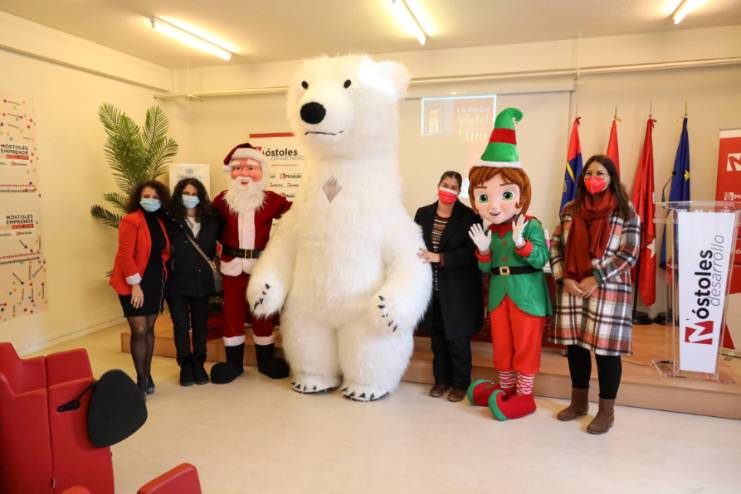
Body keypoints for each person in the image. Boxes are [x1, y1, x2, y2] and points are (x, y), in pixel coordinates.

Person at [465, 108, 551, 421]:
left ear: (520, 196)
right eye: (483, 197)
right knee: (502, 344)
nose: (494, 205)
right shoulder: (491, 230)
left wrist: (522, 243)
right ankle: (505, 388)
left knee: (525, 345)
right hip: (499, 294)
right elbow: (485, 270)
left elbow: (541, 259)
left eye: (504, 194)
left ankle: (525, 395)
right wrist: (483, 252)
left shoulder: (530, 224)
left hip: (527, 295)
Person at [549, 154, 640, 434]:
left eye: (600, 173)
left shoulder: (625, 210)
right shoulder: (571, 208)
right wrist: (563, 277)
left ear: (611, 177)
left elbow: (630, 253)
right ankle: (578, 404)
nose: (593, 178)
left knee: (606, 353)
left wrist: (597, 277)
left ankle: (605, 412)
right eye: (589, 173)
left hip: (607, 290)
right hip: (573, 289)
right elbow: (556, 246)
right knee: (576, 349)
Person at [209, 143, 292, 384]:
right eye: (238, 168)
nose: (244, 173)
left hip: (260, 266)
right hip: (231, 265)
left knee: (262, 311)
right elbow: (207, 224)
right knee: (232, 313)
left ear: (261, 171)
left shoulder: (272, 200)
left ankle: (266, 361)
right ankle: (233, 364)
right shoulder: (222, 200)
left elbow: (296, 215)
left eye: (250, 168)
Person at [414, 171, 483, 402]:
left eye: (454, 187)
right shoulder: (423, 213)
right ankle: (441, 381)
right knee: (437, 338)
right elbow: (414, 243)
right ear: (438, 186)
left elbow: (472, 254)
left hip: (458, 291)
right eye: (445, 185)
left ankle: (461, 384)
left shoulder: (469, 216)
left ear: (459, 191)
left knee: (458, 340)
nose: (449, 190)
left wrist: (440, 258)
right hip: (431, 289)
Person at [109, 180, 171, 398]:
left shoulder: (161, 222)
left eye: (155, 197)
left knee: (150, 328)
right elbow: (125, 254)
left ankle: (148, 373)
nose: (150, 200)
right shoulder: (131, 220)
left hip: (155, 281)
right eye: (146, 196)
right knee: (139, 329)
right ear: (138, 198)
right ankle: (141, 379)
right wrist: (135, 285)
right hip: (133, 281)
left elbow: (162, 252)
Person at [164, 178, 222, 386]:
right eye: (186, 193)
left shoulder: (212, 220)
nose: (190, 197)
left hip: (202, 282)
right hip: (176, 283)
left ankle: (199, 363)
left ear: (201, 196)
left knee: (200, 326)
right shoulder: (170, 220)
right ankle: (185, 366)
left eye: (194, 194)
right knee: (181, 326)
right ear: (179, 195)